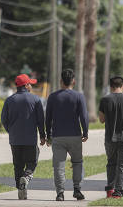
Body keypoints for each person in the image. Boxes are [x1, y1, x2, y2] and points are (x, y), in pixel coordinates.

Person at [1, 73, 46, 200]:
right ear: (26, 85)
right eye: (30, 83)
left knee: (18, 165)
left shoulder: (9, 100)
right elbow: (40, 120)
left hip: (15, 139)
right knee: (32, 161)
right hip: (30, 139)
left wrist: (11, 131)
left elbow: (4, 119)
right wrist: (43, 136)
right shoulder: (35, 100)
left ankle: (20, 189)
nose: (31, 85)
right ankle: (26, 177)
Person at [45, 69, 88, 201]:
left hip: (58, 136)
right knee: (77, 162)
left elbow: (48, 118)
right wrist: (85, 132)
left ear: (61, 81)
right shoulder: (79, 96)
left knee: (59, 165)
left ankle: (60, 193)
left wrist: (48, 135)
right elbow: (84, 117)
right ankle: (77, 190)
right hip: (75, 135)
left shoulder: (52, 97)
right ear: (73, 81)